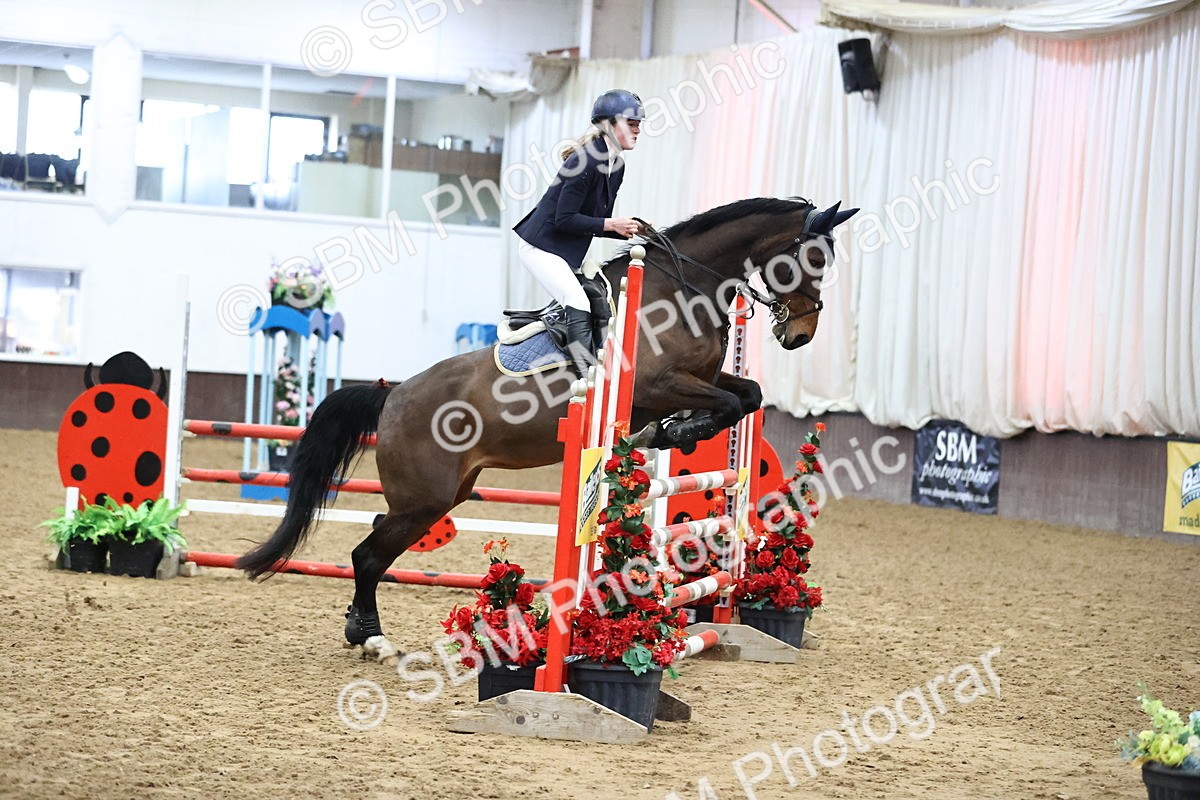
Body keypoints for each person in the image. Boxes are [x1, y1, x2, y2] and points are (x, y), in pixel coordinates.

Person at [513, 88, 646, 378]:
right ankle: (587, 377)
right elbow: (565, 220)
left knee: (599, 301)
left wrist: (628, 229)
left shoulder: (617, 165)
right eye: (630, 123)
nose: (637, 129)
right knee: (577, 301)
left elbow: (594, 220)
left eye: (639, 124)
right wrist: (611, 225)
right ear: (608, 125)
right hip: (540, 247)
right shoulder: (583, 160)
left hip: (562, 249)